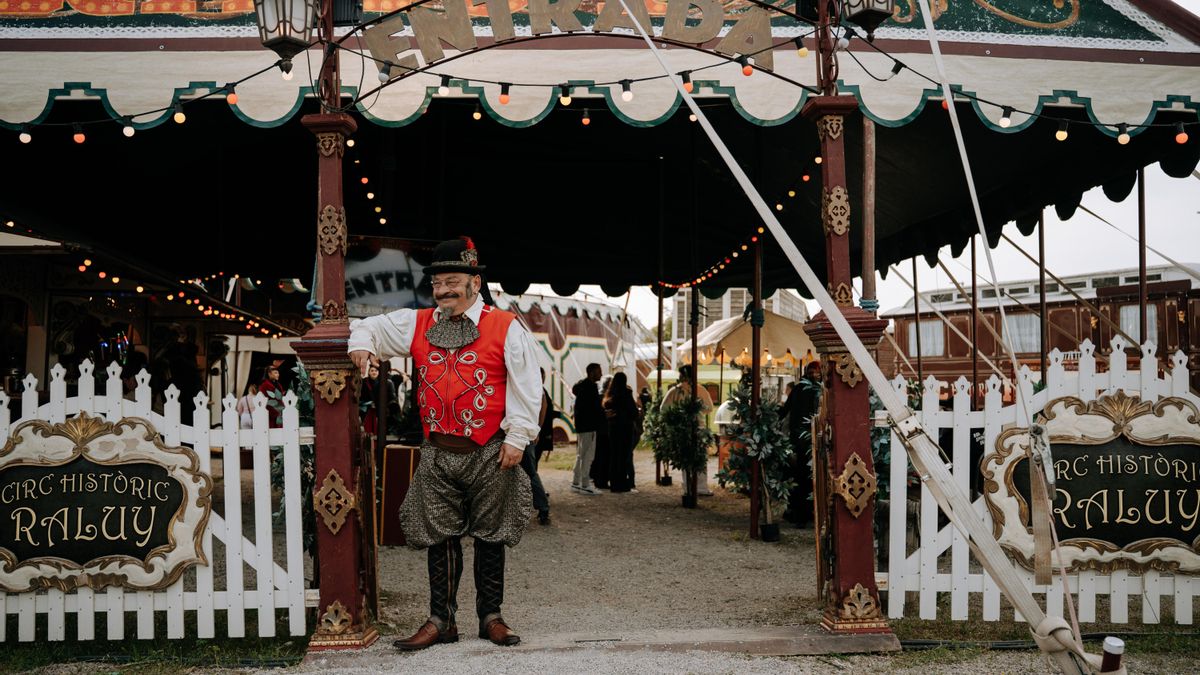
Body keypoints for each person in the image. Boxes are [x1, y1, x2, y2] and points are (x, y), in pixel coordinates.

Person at [348, 237, 540, 650]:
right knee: (439, 536)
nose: (443, 290)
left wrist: (519, 437)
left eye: (452, 281)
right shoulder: (416, 323)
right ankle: (441, 621)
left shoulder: (505, 326)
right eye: (437, 283)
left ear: (474, 281)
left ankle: (491, 616)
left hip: (491, 449)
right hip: (436, 451)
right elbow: (367, 325)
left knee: (490, 534)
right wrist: (361, 343)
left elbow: (527, 385)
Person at [661, 364, 714, 495]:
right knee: (700, 459)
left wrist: (675, 417)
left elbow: (663, 409)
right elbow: (709, 408)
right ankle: (701, 488)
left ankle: (688, 487)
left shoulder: (674, 390)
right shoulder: (700, 389)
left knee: (685, 460)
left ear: (682, 375)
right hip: (698, 428)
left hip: (681, 429)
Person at [782, 361, 822, 526]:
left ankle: (798, 513)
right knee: (807, 476)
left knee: (799, 475)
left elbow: (785, 410)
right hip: (808, 439)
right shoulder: (817, 390)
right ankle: (805, 513)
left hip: (798, 439)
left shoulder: (799, 388)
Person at [520, 368, 553, 525]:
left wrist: (537, 428)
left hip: (525, 433)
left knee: (530, 472)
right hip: (521, 432)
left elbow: (543, 405)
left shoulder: (533, 384)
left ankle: (543, 507)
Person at [571, 363, 603, 496]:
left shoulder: (581, 387)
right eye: (599, 372)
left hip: (582, 426)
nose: (601, 374)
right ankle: (585, 483)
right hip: (589, 426)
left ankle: (576, 482)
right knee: (587, 455)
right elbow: (594, 408)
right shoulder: (591, 388)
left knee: (581, 454)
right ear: (592, 373)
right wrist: (603, 415)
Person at [603, 372, 639, 492]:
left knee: (614, 456)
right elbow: (634, 412)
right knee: (624, 456)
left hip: (613, 429)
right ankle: (622, 484)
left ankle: (614, 483)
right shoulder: (626, 394)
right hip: (625, 429)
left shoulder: (610, 396)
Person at [259, 364, 286, 428]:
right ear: (269, 374)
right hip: (270, 414)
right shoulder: (265, 385)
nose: (278, 375)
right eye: (275, 373)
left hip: (279, 412)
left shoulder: (278, 384)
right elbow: (266, 400)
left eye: (278, 373)